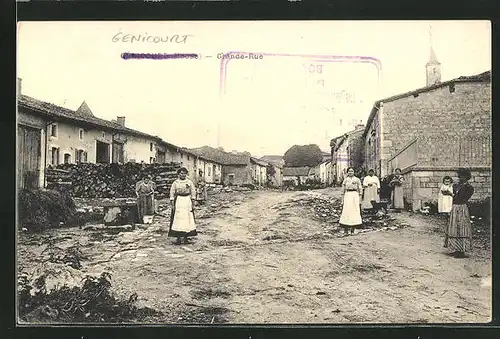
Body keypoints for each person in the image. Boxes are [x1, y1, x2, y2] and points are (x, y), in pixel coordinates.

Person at [444, 168, 474, 258]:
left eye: (462, 176)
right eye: (459, 176)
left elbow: (461, 198)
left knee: (461, 228)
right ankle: (456, 249)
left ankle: (461, 251)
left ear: (466, 177)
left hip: (461, 208)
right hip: (454, 207)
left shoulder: (469, 188)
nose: (459, 178)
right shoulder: (456, 186)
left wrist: (451, 194)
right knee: (454, 227)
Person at [168, 167, 197, 245]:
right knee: (178, 219)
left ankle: (186, 237)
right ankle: (178, 238)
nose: (183, 175)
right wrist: (172, 203)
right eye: (181, 173)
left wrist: (193, 202)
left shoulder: (189, 182)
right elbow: (172, 192)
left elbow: (193, 192)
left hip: (187, 201)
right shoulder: (175, 183)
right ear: (178, 174)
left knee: (187, 219)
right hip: (179, 201)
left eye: (184, 173)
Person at [339, 167, 363, 235]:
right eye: (349, 171)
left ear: (354, 172)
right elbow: (343, 190)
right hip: (347, 195)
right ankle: (346, 230)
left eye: (352, 171)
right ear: (347, 172)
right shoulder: (345, 180)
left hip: (355, 195)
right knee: (347, 211)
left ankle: (353, 230)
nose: (350, 172)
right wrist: (342, 199)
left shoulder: (357, 179)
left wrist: (360, 197)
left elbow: (360, 188)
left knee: (354, 211)